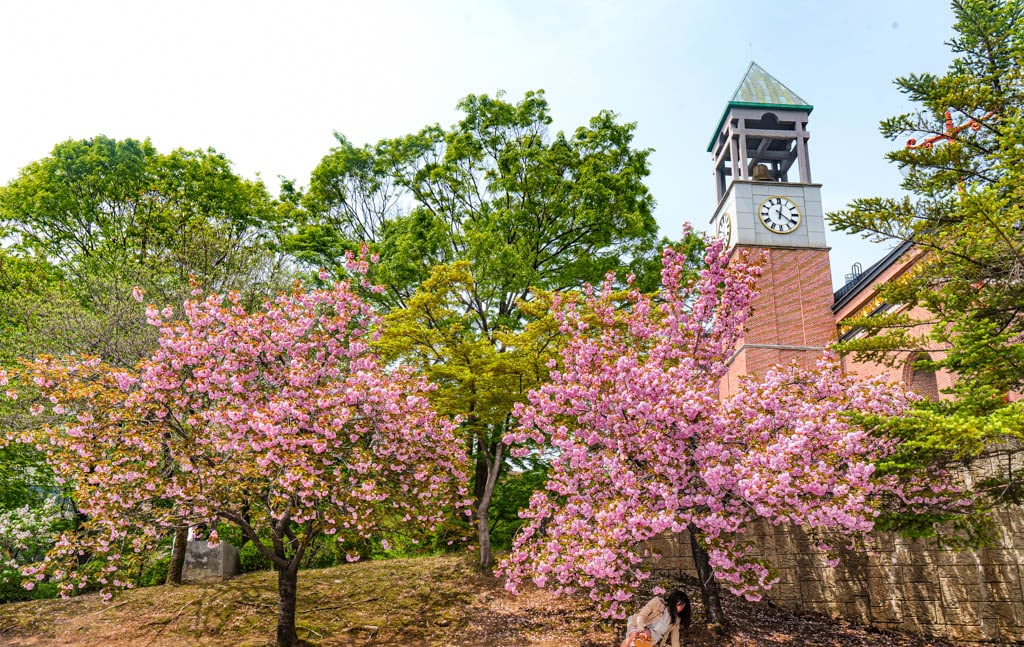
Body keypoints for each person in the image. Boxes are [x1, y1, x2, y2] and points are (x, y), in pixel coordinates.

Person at [620, 589, 692, 647]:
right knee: (634, 634)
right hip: (639, 625)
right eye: (679, 605)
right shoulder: (657, 602)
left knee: (645, 634)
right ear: (673, 602)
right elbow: (642, 615)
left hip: (654, 636)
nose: (681, 609)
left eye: (683, 607)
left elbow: (675, 639)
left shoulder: (676, 620)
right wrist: (641, 631)